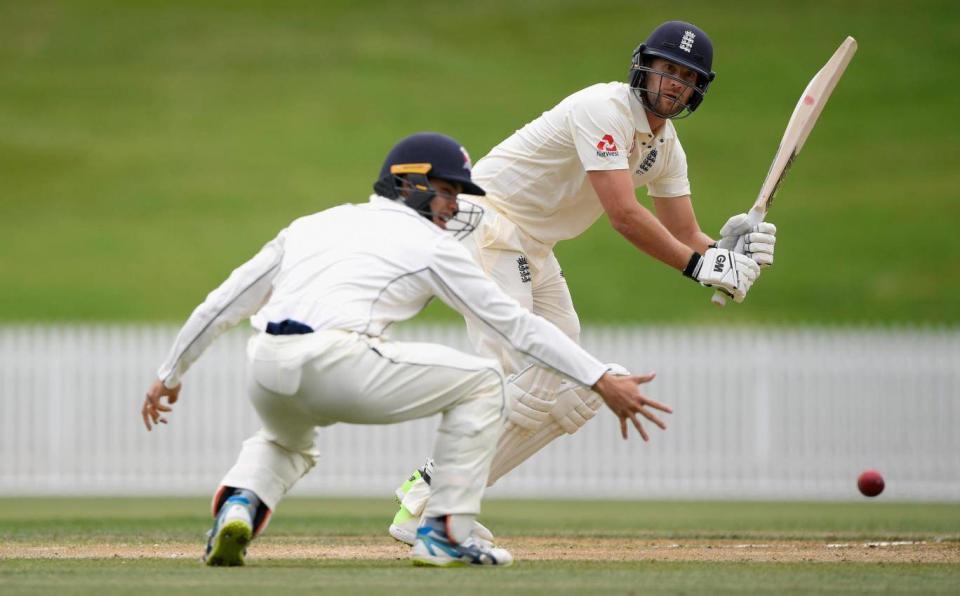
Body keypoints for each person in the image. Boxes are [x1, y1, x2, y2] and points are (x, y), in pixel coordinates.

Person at [140, 132, 672, 568]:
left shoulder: (313, 224)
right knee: (486, 381)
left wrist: (170, 372)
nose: (455, 207)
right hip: (337, 362)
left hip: (265, 366)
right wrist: (599, 376)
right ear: (409, 182)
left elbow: (225, 300)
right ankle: (444, 529)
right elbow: (514, 325)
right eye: (447, 191)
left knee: (285, 442)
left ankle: (240, 502)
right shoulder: (430, 244)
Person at [388, 21, 775, 545]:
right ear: (645, 66)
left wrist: (730, 254)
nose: (674, 83)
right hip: (485, 223)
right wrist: (699, 266)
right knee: (537, 367)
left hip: (535, 248)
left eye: (687, 76)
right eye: (667, 69)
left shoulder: (665, 148)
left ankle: (447, 503)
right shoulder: (604, 109)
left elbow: (686, 234)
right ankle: (431, 500)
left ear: (697, 89)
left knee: (573, 386)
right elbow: (623, 214)